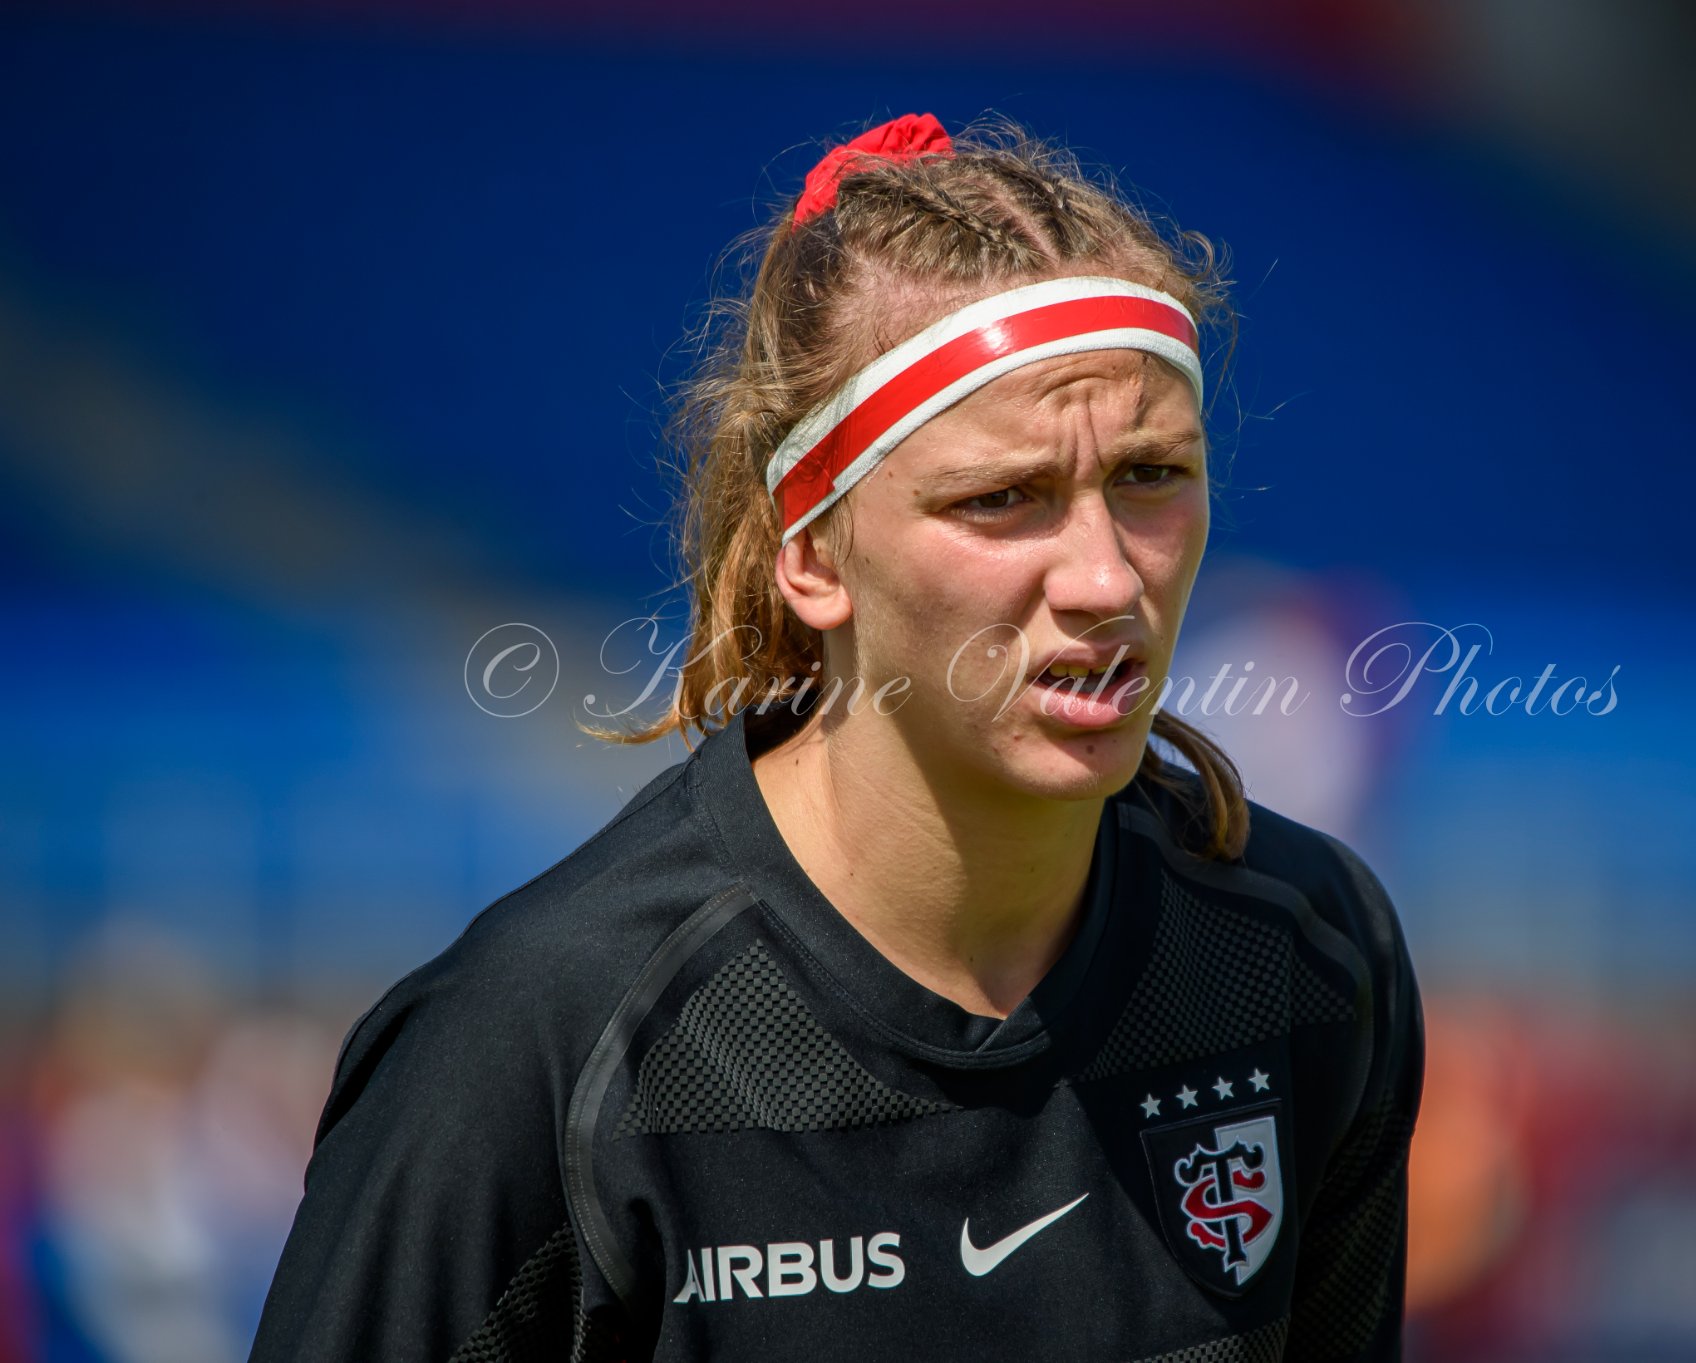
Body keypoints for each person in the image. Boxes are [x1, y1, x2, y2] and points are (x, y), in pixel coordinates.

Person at [250, 112, 1425, 1363]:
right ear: (812, 553)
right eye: (1001, 497)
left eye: (1148, 475)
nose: (1103, 575)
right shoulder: (535, 1049)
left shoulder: (1304, 955)